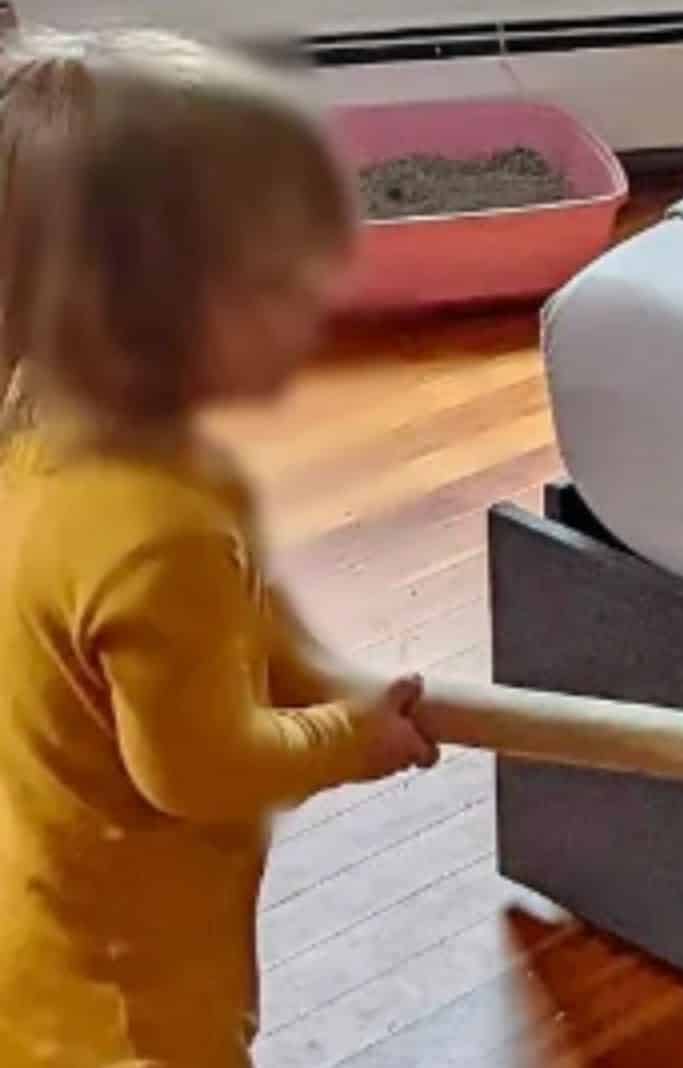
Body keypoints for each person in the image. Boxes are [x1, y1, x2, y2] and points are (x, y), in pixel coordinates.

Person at [0, 27, 441, 1067]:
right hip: (131, 1013)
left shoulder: (57, 450)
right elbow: (198, 768)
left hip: (39, 945)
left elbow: (238, 626)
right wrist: (350, 742)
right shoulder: (153, 523)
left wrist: (324, 679)